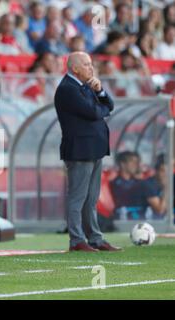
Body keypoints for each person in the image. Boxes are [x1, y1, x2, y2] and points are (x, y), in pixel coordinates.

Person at [54, 51, 121, 252]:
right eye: (86, 64)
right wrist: (101, 110)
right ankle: (76, 240)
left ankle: (95, 238)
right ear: (74, 68)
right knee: (78, 197)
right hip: (80, 150)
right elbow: (93, 112)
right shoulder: (68, 88)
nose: (91, 68)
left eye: (91, 64)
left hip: (94, 148)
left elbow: (109, 105)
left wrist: (100, 92)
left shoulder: (86, 86)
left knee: (91, 198)